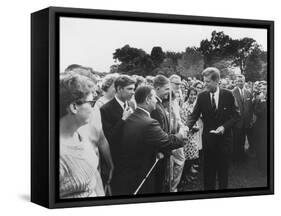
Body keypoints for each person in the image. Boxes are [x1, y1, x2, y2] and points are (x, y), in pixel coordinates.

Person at [116, 86, 185, 195]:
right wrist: (182, 134)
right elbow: (168, 141)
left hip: (128, 171)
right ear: (148, 100)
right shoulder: (149, 123)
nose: (156, 100)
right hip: (143, 172)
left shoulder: (130, 116)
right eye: (154, 98)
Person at [187, 67, 240, 190]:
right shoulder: (201, 96)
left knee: (223, 173)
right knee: (209, 173)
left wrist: (224, 127)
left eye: (207, 82)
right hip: (209, 141)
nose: (205, 84)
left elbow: (236, 115)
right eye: (204, 81)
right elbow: (193, 115)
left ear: (216, 81)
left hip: (224, 141)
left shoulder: (228, 95)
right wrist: (186, 127)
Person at [59, 74, 105, 198]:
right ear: (74, 107)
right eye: (91, 103)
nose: (93, 109)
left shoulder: (78, 135)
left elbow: (92, 174)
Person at [100, 75, 135, 195]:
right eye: (129, 89)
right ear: (119, 89)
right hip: (117, 159)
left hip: (131, 157)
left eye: (133, 89)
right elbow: (109, 137)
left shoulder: (130, 105)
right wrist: (123, 119)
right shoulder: (106, 109)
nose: (133, 92)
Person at [180, 87, 201, 188]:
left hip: (194, 134)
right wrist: (192, 128)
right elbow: (184, 121)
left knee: (192, 157)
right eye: (191, 94)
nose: (192, 96)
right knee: (187, 157)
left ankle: (187, 175)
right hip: (187, 135)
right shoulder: (185, 106)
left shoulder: (195, 104)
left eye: (194, 95)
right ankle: (183, 177)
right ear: (187, 95)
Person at [232, 75, 254, 163]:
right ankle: (235, 158)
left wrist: (250, 121)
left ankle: (242, 157)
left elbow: (251, 108)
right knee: (236, 141)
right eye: (238, 81)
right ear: (236, 82)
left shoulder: (248, 93)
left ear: (244, 81)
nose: (240, 83)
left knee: (243, 141)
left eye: (241, 81)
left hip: (246, 122)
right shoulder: (232, 92)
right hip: (236, 122)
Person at [253, 82, 267, 174]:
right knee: (259, 146)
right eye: (262, 89)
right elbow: (256, 110)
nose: (263, 90)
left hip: (265, 126)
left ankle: (264, 166)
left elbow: (263, 113)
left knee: (264, 147)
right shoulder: (259, 98)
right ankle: (260, 165)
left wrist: (262, 102)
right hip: (259, 126)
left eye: (265, 89)